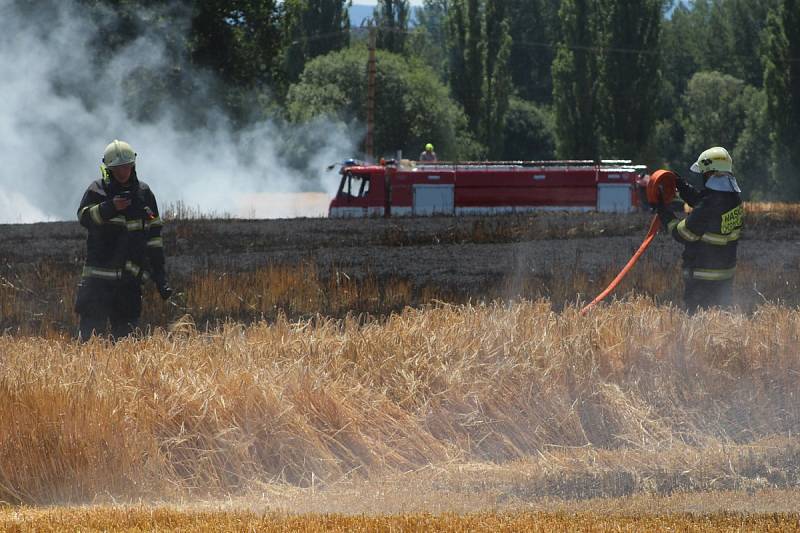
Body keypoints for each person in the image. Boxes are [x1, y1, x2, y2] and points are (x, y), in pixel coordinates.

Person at [75, 139, 172, 340]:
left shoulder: (144, 194)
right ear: (108, 169)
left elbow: (154, 236)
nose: (123, 172)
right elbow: (84, 218)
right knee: (90, 341)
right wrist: (110, 207)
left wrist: (160, 275)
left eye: (127, 167)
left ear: (133, 166)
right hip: (97, 283)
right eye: (118, 168)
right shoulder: (96, 191)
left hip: (129, 283)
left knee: (127, 344)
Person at [655, 146, 743, 312]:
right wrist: (681, 185)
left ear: (710, 173)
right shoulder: (734, 198)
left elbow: (682, 233)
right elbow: (704, 202)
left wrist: (664, 214)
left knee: (697, 325)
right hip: (725, 274)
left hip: (703, 277)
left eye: (704, 173)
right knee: (720, 325)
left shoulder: (709, 204)